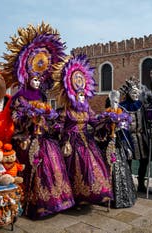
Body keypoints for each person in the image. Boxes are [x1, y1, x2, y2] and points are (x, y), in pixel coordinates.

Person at [3, 23, 75, 219]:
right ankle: (33, 203)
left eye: (39, 79)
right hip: (27, 138)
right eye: (34, 79)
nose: (37, 82)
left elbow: (49, 118)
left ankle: (57, 201)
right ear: (26, 77)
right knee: (34, 165)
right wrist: (29, 118)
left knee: (53, 163)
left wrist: (50, 122)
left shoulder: (42, 97)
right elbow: (15, 117)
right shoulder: (20, 96)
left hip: (43, 138)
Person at [51, 54, 113, 206]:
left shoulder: (87, 110)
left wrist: (108, 121)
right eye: (79, 95)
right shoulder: (66, 110)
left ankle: (94, 194)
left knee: (92, 167)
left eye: (83, 95)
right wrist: (60, 130)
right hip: (70, 144)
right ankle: (75, 198)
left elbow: (95, 122)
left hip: (86, 141)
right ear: (72, 94)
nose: (82, 97)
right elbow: (58, 125)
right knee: (74, 169)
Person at [97, 90, 137, 208]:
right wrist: (108, 127)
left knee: (121, 169)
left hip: (119, 146)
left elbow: (125, 134)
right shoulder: (105, 115)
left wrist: (128, 147)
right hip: (108, 147)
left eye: (117, 101)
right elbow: (99, 132)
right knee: (107, 169)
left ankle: (122, 196)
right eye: (113, 101)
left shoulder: (122, 115)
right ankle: (106, 196)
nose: (116, 103)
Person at [119, 77, 152, 193]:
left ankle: (141, 184)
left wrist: (149, 122)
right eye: (133, 92)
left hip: (141, 136)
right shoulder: (122, 106)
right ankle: (128, 184)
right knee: (128, 161)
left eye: (137, 92)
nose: (136, 94)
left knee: (144, 160)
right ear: (128, 93)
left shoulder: (141, 105)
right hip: (128, 137)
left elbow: (146, 117)